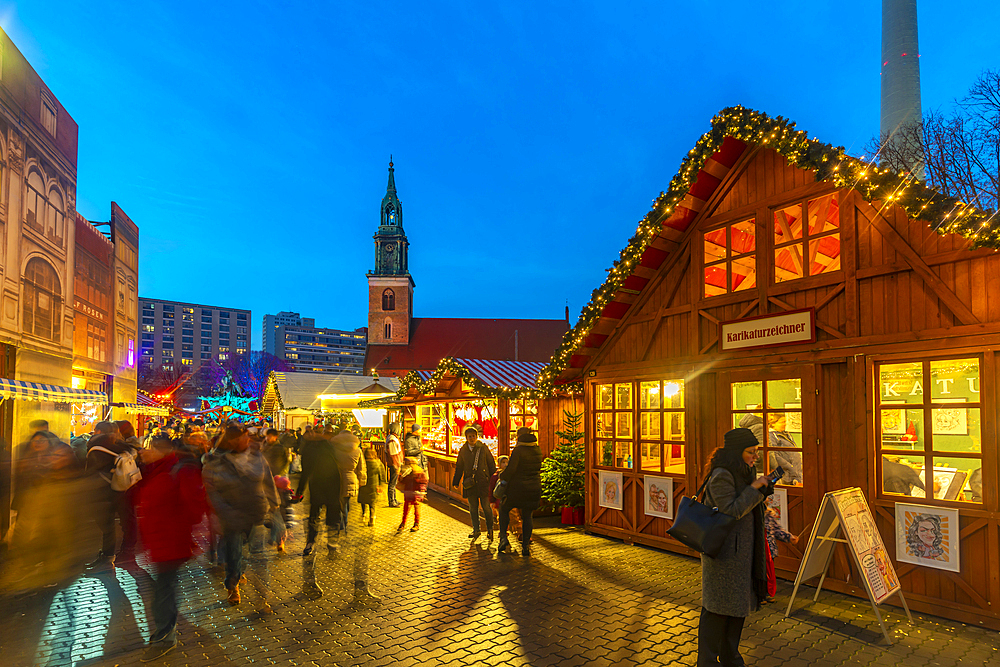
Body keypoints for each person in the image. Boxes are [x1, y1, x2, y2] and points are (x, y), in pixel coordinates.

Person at [698, 427, 773, 667]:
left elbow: (748, 506)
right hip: (722, 553)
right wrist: (755, 490)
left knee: (737, 608)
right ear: (735, 452)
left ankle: (731, 656)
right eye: (751, 452)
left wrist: (762, 491)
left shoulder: (744, 470)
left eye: (756, 451)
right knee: (717, 610)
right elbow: (731, 510)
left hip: (742, 553)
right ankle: (708, 661)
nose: (755, 456)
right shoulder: (722, 474)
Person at [134, 434, 207, 662]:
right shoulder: (154, 471)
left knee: (162, 592)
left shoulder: (177, 471)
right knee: (163, 589)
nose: (142, 452)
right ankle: (165, 633)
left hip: (171, 542)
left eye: (148, 448)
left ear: (161, 451)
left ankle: (164, 637)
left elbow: (196, 508)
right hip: (158, 541)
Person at [202, 425, 279, 610]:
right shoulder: (216, 461)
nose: (249, 440)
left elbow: (268, 479)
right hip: (232, 516)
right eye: (245, 437)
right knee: (235, 555)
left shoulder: (256, 456)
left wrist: (274, 505)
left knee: (260, 556)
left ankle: (262, 598)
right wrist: (223, 514)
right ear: (233, 441)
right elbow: (212, 492)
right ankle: (232, 585)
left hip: (256, 511)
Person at [84, 423, 139, 570]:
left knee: (107, 527)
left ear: (99, 431)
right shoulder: (123, 446)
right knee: (126, 522)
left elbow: (93, 473)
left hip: (103, 494)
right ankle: (126, 552)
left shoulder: (97, 448)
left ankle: (107, 558)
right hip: (123, 490)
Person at [295, 426, 342, 563]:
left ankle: (311, 542)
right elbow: (337, 463)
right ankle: (331, 541)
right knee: (331, 513)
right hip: (332, 483)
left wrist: (300, 490)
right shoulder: (327, 445)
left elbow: (306, 472)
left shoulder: (309, 450)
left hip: (318, 484)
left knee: (315, 515)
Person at [497, 427, 542, 555]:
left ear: (519, 437)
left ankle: (504, 539)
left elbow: (511, 470)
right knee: (528, 516)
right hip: (533, 487)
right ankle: (526, 545)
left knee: (504, 508)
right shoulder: (537, 449)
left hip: (517, 488)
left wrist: (502, 476)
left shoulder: (518, 450)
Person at [452, 425, 496, 541]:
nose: (472, 438)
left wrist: (493, 480)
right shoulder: (463, 450)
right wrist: (456, 481)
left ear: (477, 437)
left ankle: (490, 529)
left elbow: (491, 464)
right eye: (469, 436)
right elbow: (459, 466)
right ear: (466, 437)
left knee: (486, 507)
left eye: (473, 436)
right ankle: (476, 529)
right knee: (473, 508)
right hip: (470, 483)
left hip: (483, 482)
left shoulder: (483, 448)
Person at [331, 428, 366, 533]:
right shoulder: (357, 449)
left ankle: (342, 522)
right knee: (347, 500)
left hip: (337, 478)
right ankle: (345, 521)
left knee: (340, 501)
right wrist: (362, 480)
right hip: (351, 477)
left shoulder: (334, 449)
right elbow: (361, 467)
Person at [763, 504, 797, 602]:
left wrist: (789, 537)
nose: (767, 500)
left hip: (770, 549)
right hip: (759, 549)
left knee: (769, 572)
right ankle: (758, 595)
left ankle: (767, 593)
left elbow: (777, 530)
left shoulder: (769, 515)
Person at [395, 456, 427, 534]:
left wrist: (421, 491)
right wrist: (400, 476)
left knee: (416, 510)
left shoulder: (419, 473)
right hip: (408, 493)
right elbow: (403, 481)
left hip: (416, 494)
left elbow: (423, 482)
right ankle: (403, 523)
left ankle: (416, 523)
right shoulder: (407, 472)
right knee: (406, 509)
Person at [358, 447, 385, 527]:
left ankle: (363, 514)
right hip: (373, 485)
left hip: (363, 484)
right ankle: (372, 517)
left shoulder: (363, 463)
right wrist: (381, 484)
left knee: (363, 500)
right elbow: (382, 474)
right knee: (372, 502)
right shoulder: (378, 463)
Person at [385, 423, 404, 508]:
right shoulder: (392, 439)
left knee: (394, 482)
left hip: (394, 464)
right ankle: (392, 501)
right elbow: (393, 454)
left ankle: (394, 499)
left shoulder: (392, 438)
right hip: (394, 464)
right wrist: (397, 466)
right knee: (392, 483)